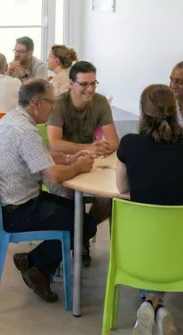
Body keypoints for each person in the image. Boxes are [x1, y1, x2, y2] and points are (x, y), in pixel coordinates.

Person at [0, 79, 96, 303]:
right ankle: (36, 262)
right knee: (85, 224)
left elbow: (39, 154)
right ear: (36, 102)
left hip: (7, 203)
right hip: (18, 211)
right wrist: (78, 166)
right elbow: (54, 176)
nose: (53, 107)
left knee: (76, 215)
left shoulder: (13, 118)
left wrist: (68, 158)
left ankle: (37, 266)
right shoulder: (25, 130)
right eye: (51, 102)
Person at [115, 84, 183, 335]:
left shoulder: (129, 143)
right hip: (177, 249)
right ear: (175, 111)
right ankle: (157, 305)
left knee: (148, 234)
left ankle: (150, 302)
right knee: (180, 226)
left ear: (142, 113)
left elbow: (121, 188)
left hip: (135, 246)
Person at [47, 60, 119, 266]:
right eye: (84, 84)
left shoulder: (100, 102)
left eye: (94, 84)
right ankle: (78, 238)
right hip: (61, 164)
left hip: (90, 164)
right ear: (72, 83)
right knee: (68, 197)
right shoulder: (59, 104)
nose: (90, 89)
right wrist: (88, 148)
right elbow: (54, 143)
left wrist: (104, 147)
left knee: (109, 199)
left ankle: (82, 236)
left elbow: (114, 141)